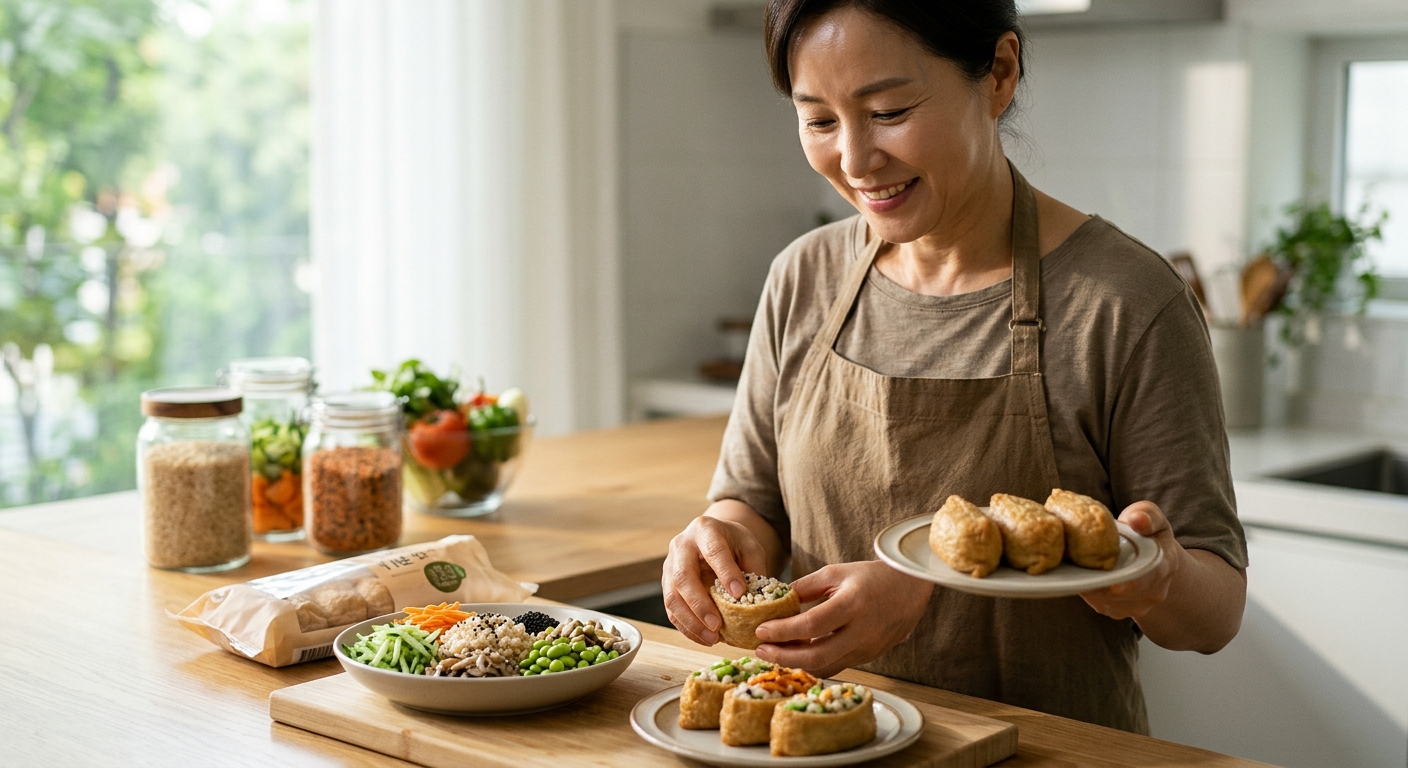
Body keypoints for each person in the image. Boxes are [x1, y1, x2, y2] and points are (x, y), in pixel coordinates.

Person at [660, 0, 1248, 734]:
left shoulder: (1125, 302)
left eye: (890, 110)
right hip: (814, 742)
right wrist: (720, 542)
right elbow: (751, 505)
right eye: (818, 119)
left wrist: (1157, 577)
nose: (854, 158)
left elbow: (1215, 613)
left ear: (999, 73)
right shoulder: (802, 277)